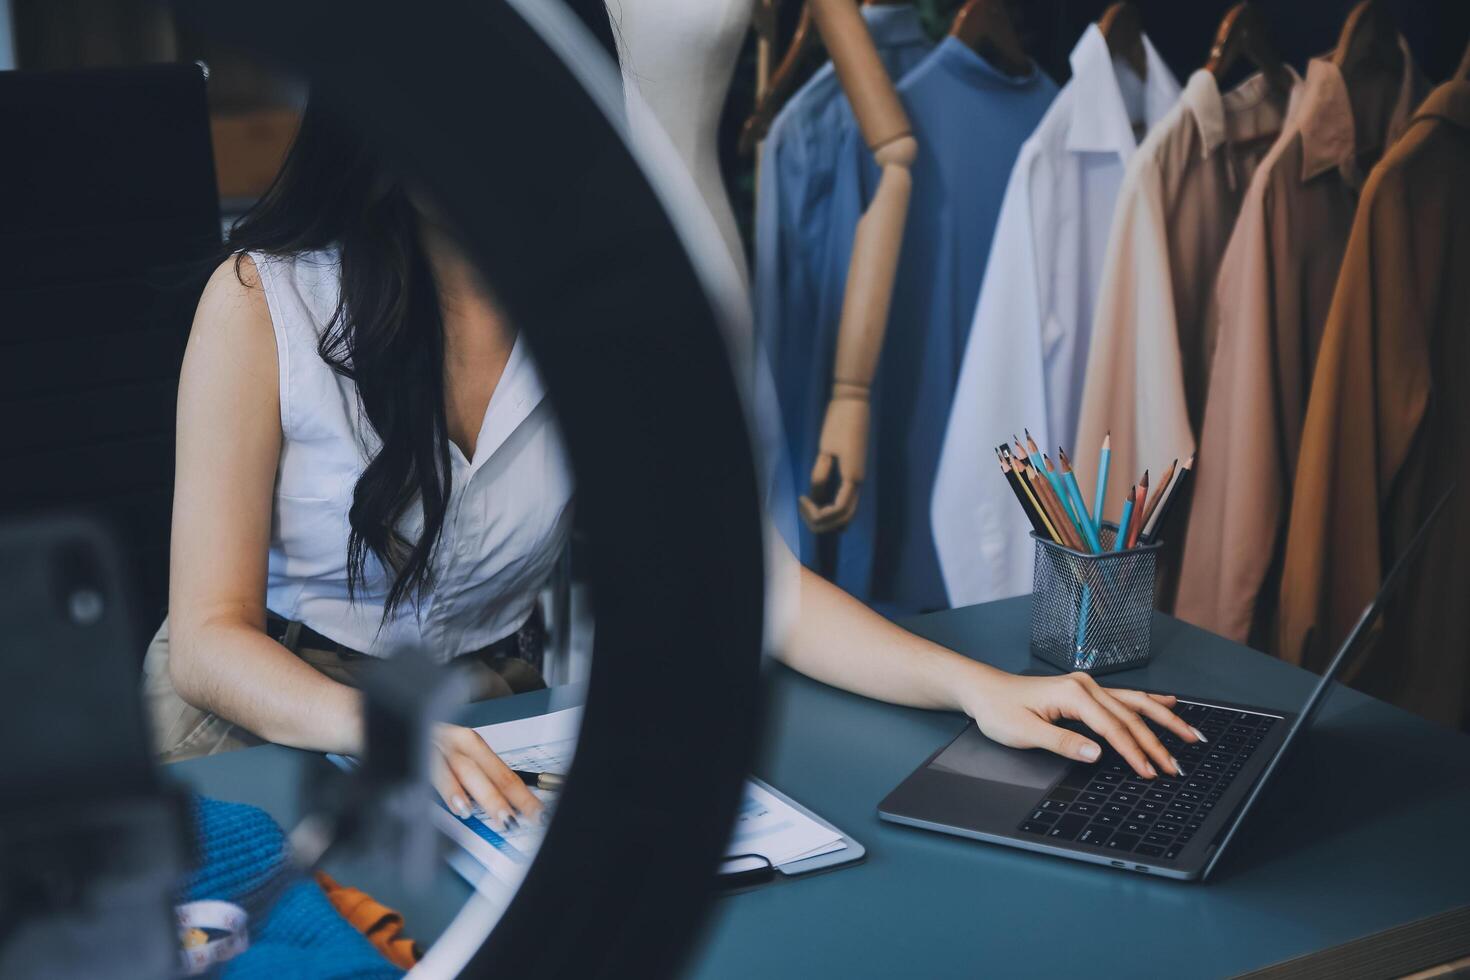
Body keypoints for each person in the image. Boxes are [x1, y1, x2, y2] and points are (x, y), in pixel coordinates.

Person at [146, 101, 1202, 833]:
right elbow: (205, 638)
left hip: (484, 721)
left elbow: (750, 582)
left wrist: (977, 687)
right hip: (265, 724)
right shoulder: (260, 304)